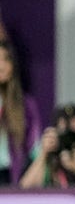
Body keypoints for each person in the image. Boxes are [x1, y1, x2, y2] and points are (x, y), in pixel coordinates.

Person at [20, 104, 75, 189]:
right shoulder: (40, 160)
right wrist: (44, 154)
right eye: (66, 134)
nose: (70, 140)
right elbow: (24, 192)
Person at [0, 40, 41, 186]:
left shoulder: (26, 105)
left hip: (10, 177)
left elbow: (34, 148)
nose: (2, 66)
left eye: (6, 59)